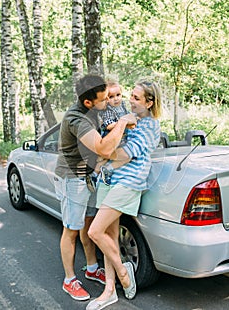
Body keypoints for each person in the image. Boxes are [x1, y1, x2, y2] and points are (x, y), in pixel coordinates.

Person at [54, 74, 137, 301]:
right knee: (71, 229)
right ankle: (69, 280)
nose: (107, 102)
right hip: (72, 178)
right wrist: (121, 123)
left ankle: (92, 268)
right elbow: (101, 147)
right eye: (103, 100)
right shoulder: (76, 119)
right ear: (88, 102)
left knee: (88, 224)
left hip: (90, 176)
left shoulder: (97, 109)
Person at [86, 80, 162, 310]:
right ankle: (109, 291)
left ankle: (123, 272)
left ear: (149, 102)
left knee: (95, 231)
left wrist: (102, 156)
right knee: (110, 235)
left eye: (137, 98)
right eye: (132, 96)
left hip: (128, 183)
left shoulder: (150, 125)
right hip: (110, 180)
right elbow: (103, 142)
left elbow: (122, 155)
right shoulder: (125, 118)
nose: (131, 100)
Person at [97, 80, 131, 185]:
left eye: (118, 95)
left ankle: (98, 173)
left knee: (107, 158)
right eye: (111, 97)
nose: (116, 99)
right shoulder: (107, 109)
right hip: (111, 137)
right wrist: (123, 123)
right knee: (126, 156)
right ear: (106, 99)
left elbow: (128, 115)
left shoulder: (123, 104)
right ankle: (106, 170)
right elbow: (109, 125)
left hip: (122, 137)